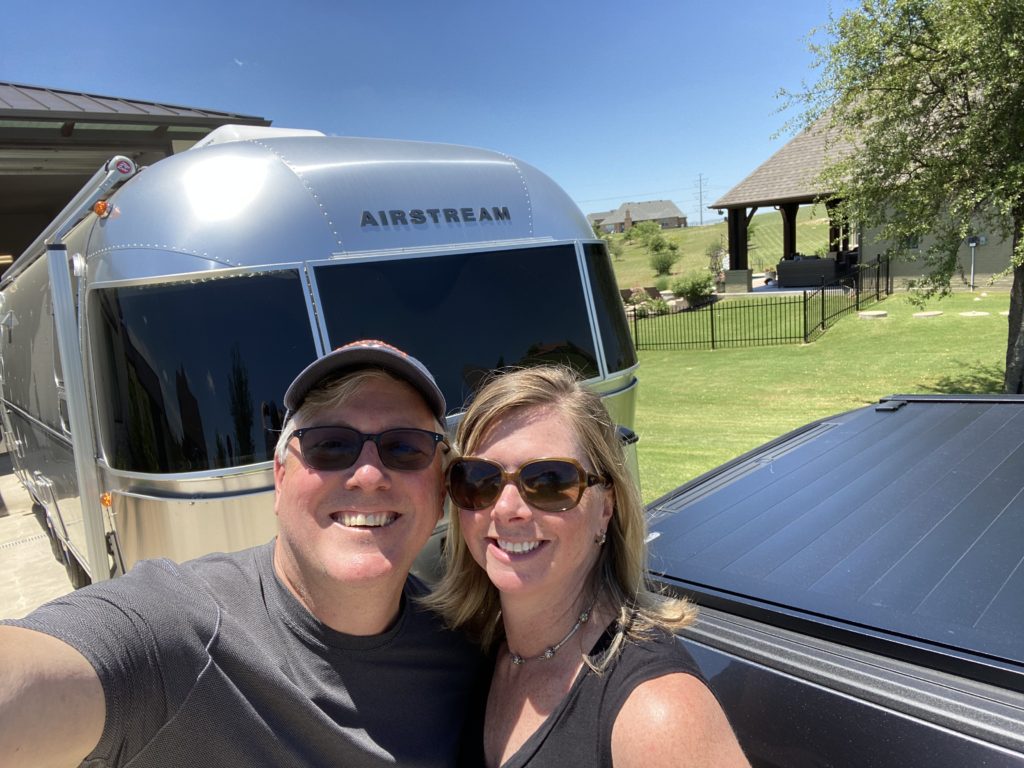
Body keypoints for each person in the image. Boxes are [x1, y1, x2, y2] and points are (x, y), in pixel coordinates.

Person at [0, 339, 482, 767]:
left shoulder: (464, 653)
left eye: (405, 448)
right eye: (330, 445)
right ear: (281, 478)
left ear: (441, 489)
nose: (369, 475)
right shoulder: (179, 631)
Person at [426, 366, 749, 768]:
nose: (506, 509)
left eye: (549, 481)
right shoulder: (472, 652)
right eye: (479, 478)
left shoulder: (658, 713)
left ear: (606, 506)